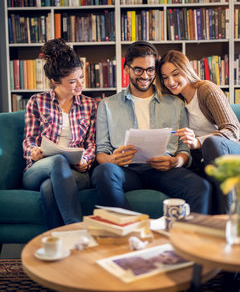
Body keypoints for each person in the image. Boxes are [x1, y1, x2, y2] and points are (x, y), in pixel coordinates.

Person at [91, 41, 211, 214]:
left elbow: (183, 148)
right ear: (127, 69)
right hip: (125, 171)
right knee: (103, 172)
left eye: (150, 70)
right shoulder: (107, 105)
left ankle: (188, 239)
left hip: (163, 170)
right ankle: (128, 228)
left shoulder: (175, 104)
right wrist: (112, 160)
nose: (145, 76)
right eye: (138, 70)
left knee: (201, 187)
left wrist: (176, 161)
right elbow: (101, 151)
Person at [23, 38, 97, 229]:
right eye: (73, 81)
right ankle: (77, 230)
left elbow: (91, 143)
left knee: (48, 189)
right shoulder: (36, 102)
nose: (80, 84)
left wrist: (86, 160)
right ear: (54, 81)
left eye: (81, 77)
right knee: (58, 160)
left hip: (76, 172)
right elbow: (29, 140)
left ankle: (57, 245)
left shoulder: (90, 105)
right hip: (38, 168)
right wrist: (34, 151)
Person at [158, 49, 240, 214]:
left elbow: (233, 130)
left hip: (229, 152)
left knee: (210, 143)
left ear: (186, 70)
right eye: (165, 77)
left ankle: (225, 218)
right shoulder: (175, 102)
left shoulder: (206, 90)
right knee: (194, 182)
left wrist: (198, 141)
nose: (171, 81)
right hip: (203, 162)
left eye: (176, 74)